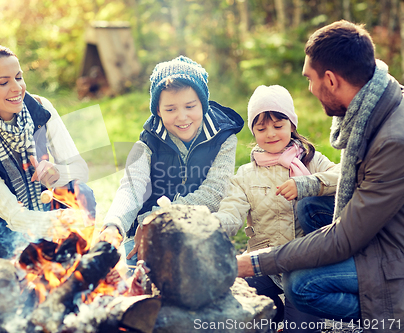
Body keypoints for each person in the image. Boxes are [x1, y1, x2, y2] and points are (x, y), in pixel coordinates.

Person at [236, 20, 404, 331]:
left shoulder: (394, 140)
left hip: (395, 253)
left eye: (310, 80)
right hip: (384, 228)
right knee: (310, 206)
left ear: (330, 79)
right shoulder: (377, 108)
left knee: (300, 283)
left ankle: (389, 314)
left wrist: (254, 262)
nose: (310, 90)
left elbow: (344, 237)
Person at [0, 43, 95, 260]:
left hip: (36, 209)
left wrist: (58, 173)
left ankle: (67, 261)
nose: (17, 88)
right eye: (4, 82)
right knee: (21, 276)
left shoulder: (41, 108)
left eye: (19, 77)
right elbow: (11, 214)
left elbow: (81, 170)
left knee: (82, 193)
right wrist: (60, 222)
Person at [213, 85, 339, 332]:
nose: (270, 134)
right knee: (232, 307)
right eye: (261, 128)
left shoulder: (311, 161)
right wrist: (212, 227)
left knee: (301, 328)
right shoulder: (246, 175)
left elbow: (344, 174)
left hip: (303, 267)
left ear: (292, 125)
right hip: (265, 265)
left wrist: (306, 184)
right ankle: (272, 314)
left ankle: (296, 316)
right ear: (254, 131)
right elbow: (231, 211)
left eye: (278, 126)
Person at [100, 56, 244, 267]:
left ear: (202, 104)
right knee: (125, 275)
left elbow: (214, 194)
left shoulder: (223, 138)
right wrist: (113, 225)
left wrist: (157, 219)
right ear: (158, 110)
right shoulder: (148, 142)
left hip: (199, 233)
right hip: (149, 237)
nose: (182, 117)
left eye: (190, 106)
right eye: (170, 109)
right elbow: (131, 188)